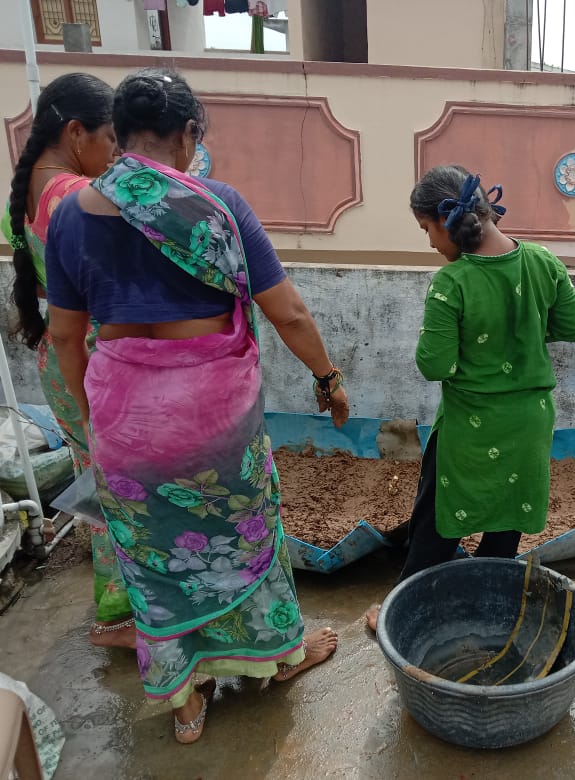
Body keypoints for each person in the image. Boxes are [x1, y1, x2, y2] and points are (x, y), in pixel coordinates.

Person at [44, 68, 348, 744]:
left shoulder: (69, 215)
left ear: (119, 138)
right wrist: (328, 380)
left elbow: (66, 336)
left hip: (123, 421)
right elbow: (289, 313)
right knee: (246, 542)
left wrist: (96, 423)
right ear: (187, 136)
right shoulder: (218, 204)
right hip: (213, 428)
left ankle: (186, 706)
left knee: (154, 562)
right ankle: (277, 658)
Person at [365, 165, 575, 631]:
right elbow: (573, 327)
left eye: (426, 228)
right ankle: (486, 604)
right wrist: (521, 335)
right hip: (529, 421)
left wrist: (475, 345)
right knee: (507, 516)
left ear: (446, 221)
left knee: (436, 515)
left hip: (471, 423)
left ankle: (407, 606)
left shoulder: (453, 282)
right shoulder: (544, 261)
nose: (428, 242)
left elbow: (435, 365)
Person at [1, 73, 136, 649]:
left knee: (101, 487)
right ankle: (118, 617)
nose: (113, 155)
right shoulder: (68, 197)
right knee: (116, 490)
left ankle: (117, 608)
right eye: (109, 140)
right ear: (76, 132)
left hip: (61, 362)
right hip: (84, 358)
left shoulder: (32, 186)